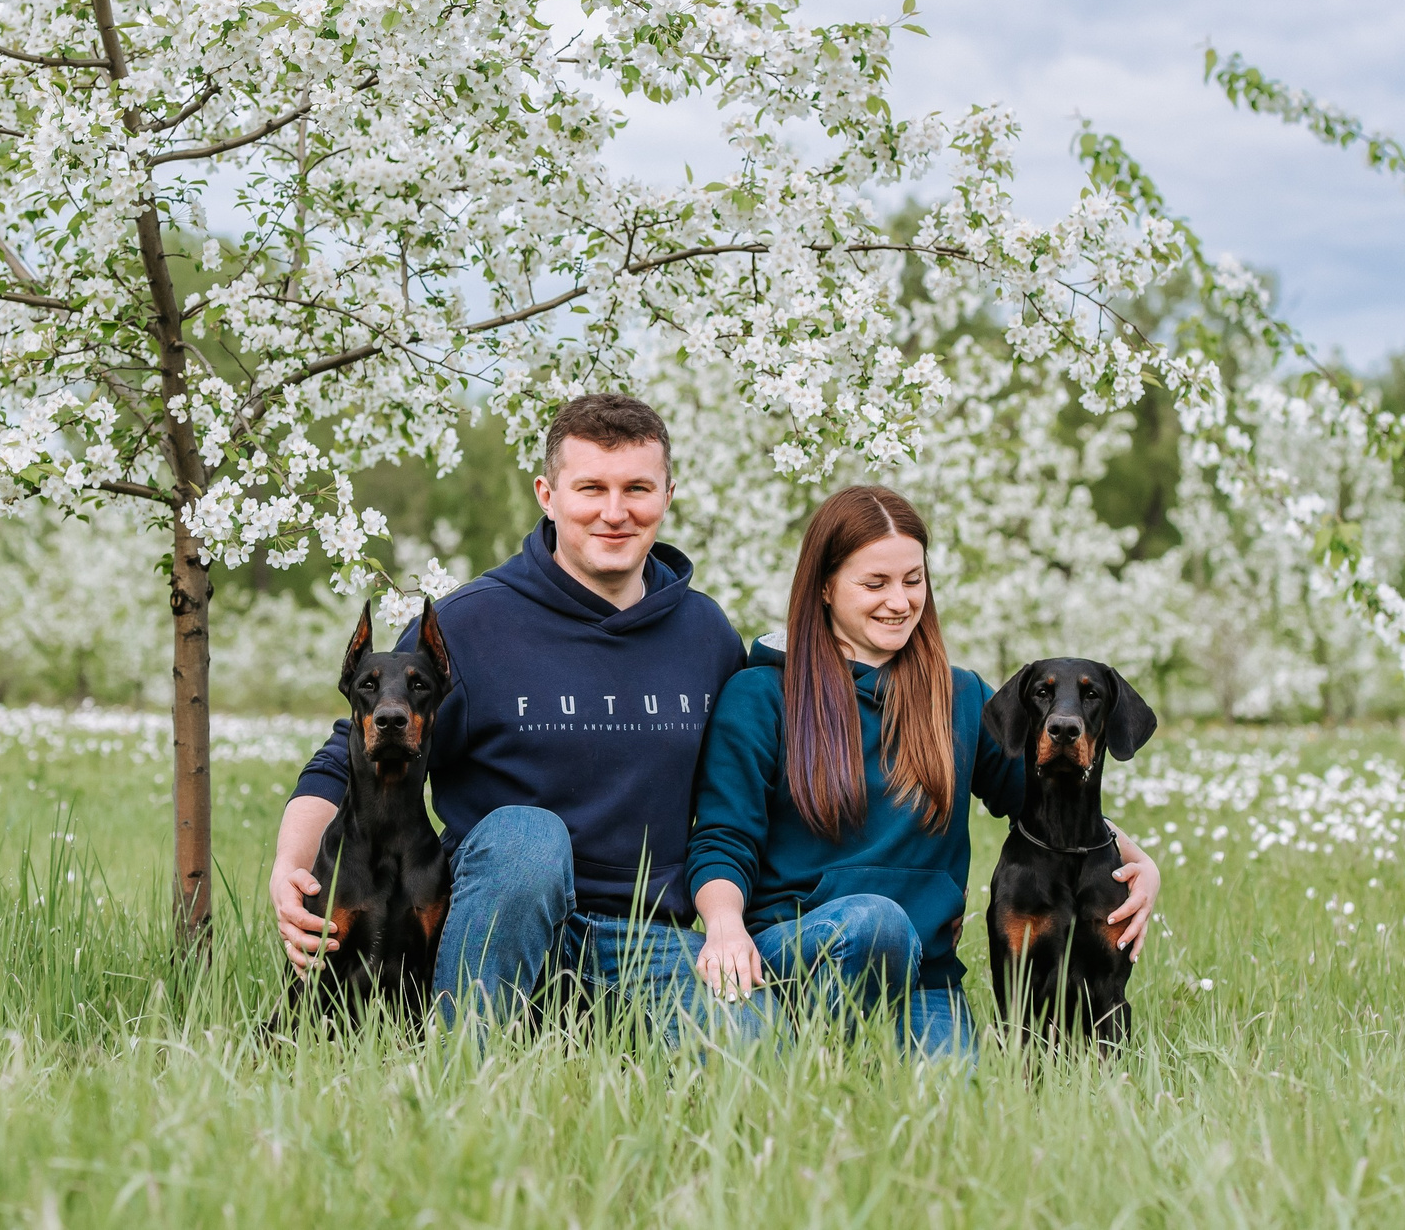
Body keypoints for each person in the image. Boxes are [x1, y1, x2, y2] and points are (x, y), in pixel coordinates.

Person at [272, 393, 874, 1040]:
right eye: (591, 487)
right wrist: (293, 872)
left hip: (643, 941)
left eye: (636, 487)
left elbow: (745, 797)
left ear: (669, 493)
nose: (614, 511)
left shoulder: (706, 635)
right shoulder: (468, 625)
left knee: (762, 1059)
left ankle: (605, 1037)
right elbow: (348, 756)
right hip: (496, 922)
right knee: (529, 837)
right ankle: (462, 1061)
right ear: (548, 494)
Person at [685, 485, 1161, 1056]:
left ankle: (840, 1045)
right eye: (875, 583)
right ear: (825, 586)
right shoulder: (761, 696)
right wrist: (724, 927)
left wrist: (1138, 865)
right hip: (792, 955)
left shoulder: (959, 698)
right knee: (874, 922)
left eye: (913, 580)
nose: (899, 601)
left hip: (922, 979)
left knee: (956, 1103)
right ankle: (791, 1031)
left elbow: (1039, 802)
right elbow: (722, 839)